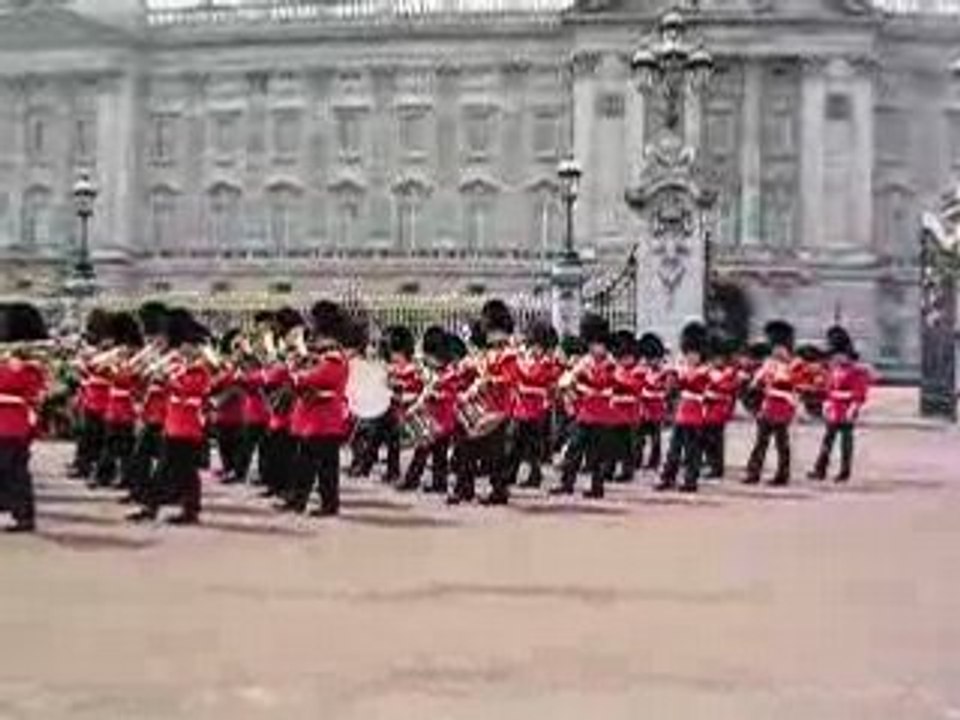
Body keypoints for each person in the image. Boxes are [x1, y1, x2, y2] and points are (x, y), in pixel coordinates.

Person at [129, 309, 212, 525]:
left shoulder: (199, 370)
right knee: (171, 470)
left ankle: (181, 510)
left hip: (188, 427)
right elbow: (147, 380)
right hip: (173, 425)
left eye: (187, 345)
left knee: (185, 471)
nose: (182, 349)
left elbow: (192, 390)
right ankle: (164, 508)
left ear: (195, 347)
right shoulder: (179, 366)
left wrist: (168, 377)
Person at [284, 301, 351, 516]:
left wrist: (294, 369)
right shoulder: (322, 356)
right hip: (316, 420)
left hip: (324, 421)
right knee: (307, 463)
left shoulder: (334, 358)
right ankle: (299, 500)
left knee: (324, 467)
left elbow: (312, 379)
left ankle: (327, 504)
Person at [449, 300, 518, 506]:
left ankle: (498, 490)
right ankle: (465, 488)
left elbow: (510, 379)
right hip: (483, 407)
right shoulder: (490, 354)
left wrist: (490, 381)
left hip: (498, 410)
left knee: (493, 454)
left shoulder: (510, 354)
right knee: (467, 447)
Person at [551, 313, 615, 499]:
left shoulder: (610, 364)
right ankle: (566, 483)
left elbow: (602, 384)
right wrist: (572, 386)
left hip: (602, 415)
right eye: (593, 344)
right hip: (585, 414)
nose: (596, 348)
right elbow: (567, 381)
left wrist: (582, 384)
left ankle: (597, 486)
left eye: (599, 344)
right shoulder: (585, 361)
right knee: (574, 449)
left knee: (597, 454)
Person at [0, 303, 49, 533]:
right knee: (9, 469)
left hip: (14, 424)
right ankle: (15, 509)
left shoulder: (29, 368)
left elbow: (36, 394)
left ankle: (24, 516)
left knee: (15, 470)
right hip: (5, 422)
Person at [356, 325, 422, 484]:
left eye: (395, 353)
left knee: (393, 444)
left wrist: (397, 391)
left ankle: (392, 471)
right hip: (385, 410)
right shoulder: (389, 368)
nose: (392, 357)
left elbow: (414, 392)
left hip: (399, 412)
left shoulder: (412, 370)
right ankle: (365, 466)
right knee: (374, 438)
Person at [398, 327, 458, 493]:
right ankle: (419, 480)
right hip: (431, 420)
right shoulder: (434, 372)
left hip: (443, 422)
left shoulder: (450, 374)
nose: (428, 360)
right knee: (423, 451)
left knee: (437, 455)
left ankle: (434, 483)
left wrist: (434, 394)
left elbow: (449, 395)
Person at [808, 326, 871, 483]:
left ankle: (844, 471)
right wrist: (826, 403)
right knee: (827, 440)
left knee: (845, 443)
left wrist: (853, 408)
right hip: (834, 410)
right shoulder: (834, 370)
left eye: (838, 356)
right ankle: (820, 469)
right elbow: (829, 389)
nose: (835, 359)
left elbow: (859, 394)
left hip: (846, 410)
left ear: (846, 355)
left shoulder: (857, 372)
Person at [656, 321, 709, 493]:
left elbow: (693, 384)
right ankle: (667, 477)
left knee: (692, 452)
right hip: (682, 413)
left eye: (695, 354)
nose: (691, 357)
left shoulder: (704, 371)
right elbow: (671, 387)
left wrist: (678, 373)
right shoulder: (682, 367)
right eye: (689, 353)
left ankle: (690, 480)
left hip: (696, 414)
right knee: (674, 448)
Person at [92, 312, 144, 489]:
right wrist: (114, 356)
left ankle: (125, 477)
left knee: (126, 447)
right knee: (111, 443)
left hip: (128, 409)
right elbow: (95, 365)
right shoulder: (119, 358)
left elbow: (129, 379)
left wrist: (117, 364)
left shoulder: (138, 361)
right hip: (114, 408)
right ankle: (105, 475)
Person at [744, 320, 798, 486]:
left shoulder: (794, 366)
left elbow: (795, 387)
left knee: (782, 444)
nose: (777, 351)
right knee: (761, 443)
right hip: (767, 408)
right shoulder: (769, 364)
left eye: (780, 348)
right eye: (775, 348)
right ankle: (753, 472)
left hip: (783, 408)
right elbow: (756, 382)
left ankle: (783, 474)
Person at [508, 320, 559, 489]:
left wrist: (520, 360)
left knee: (532, 448)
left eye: (536, 346)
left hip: (535, 411)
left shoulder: (546, 363)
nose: (532, 349)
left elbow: (531, 376)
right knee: (515, 444)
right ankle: (511, 474)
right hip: (521, 410)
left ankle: (535, 475)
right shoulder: (529, 359)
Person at [701, 334, 739, 480]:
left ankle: (717, 467)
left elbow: (728, 389)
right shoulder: (710, 370)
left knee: (716, 441)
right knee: (705, 438)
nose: (716, 361)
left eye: (719, 358)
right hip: (708, 411)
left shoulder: (729, 372)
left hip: (719, 410)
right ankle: (710, 462)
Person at [608, 330, 643, 484]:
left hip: (630, 413)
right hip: (615, 411)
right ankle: (608, 469)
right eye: (621, 357)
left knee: (628, 445)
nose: (624, 361)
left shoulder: (638, 370)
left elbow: (634, 386)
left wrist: (617, 380)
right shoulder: (615, 369)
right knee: (611, 443)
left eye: (627, 357)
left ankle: (627, 471)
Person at [636, 332, 668, 472]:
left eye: (654, 358)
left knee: (656, 438)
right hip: (644, 407)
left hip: (657, 408)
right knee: (639, 437)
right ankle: (636, 459)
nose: (652, 362)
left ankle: (654, 461)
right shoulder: (642, 370)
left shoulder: (665, 371)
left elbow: (667, 391)